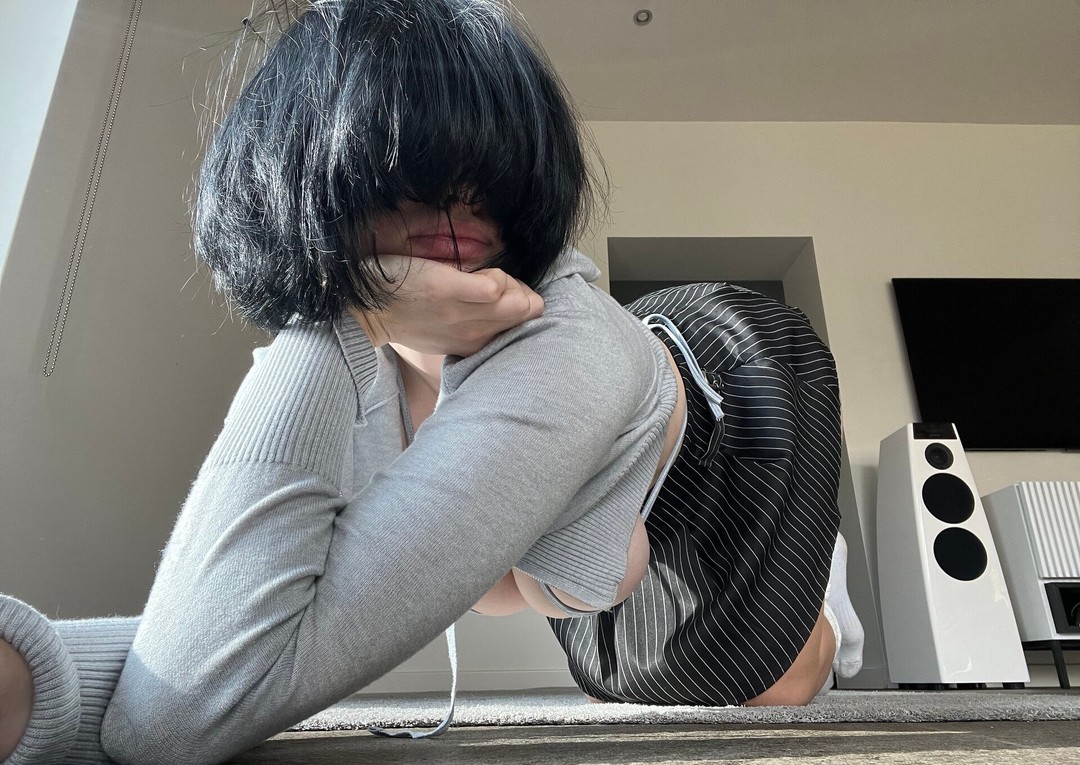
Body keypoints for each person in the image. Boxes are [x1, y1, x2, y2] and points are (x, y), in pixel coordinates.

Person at [0, 1, 864, 763]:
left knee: (766, 680)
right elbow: (230, 643)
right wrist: (339, 307)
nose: (456, 200)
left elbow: (176, 720)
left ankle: (821, 581)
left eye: (485, 171)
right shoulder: (363, 374)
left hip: (732, 409)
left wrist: (337, 314)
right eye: (403, 170)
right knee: (561, 599)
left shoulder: (565, 347)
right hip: (598, 505)